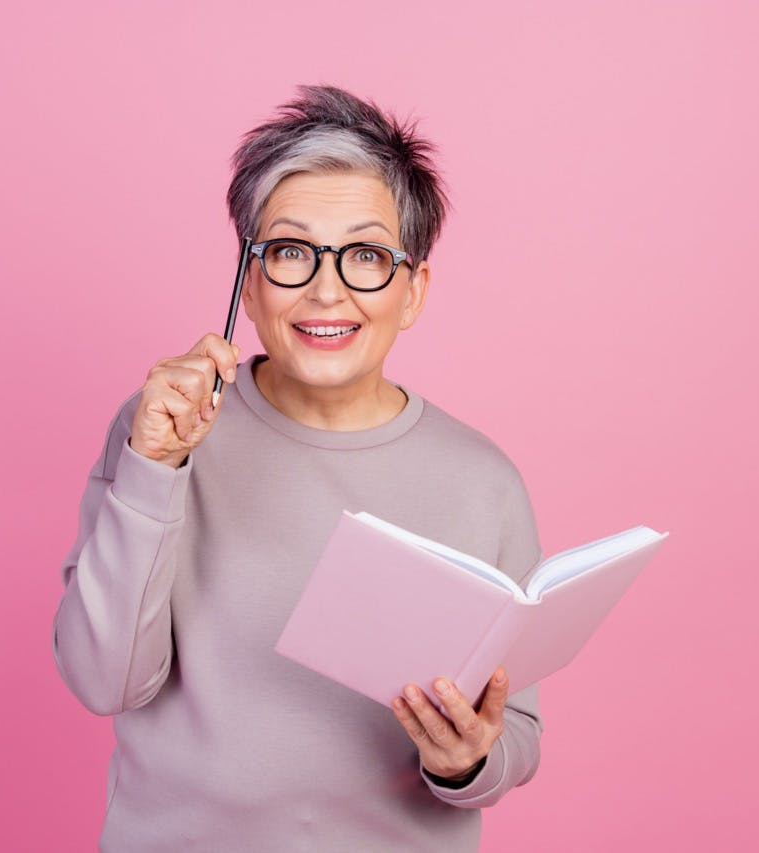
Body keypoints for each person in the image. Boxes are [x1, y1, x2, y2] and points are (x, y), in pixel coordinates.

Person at [52, 84, 545, 852]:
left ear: (413, 289)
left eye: (368, 256)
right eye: (289, 251)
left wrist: (468, 760)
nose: (326, 288)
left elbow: (516, 731)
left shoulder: (481, 480)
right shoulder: (161, 431)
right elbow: (103, 678)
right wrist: (155, 466)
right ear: (248, 282)